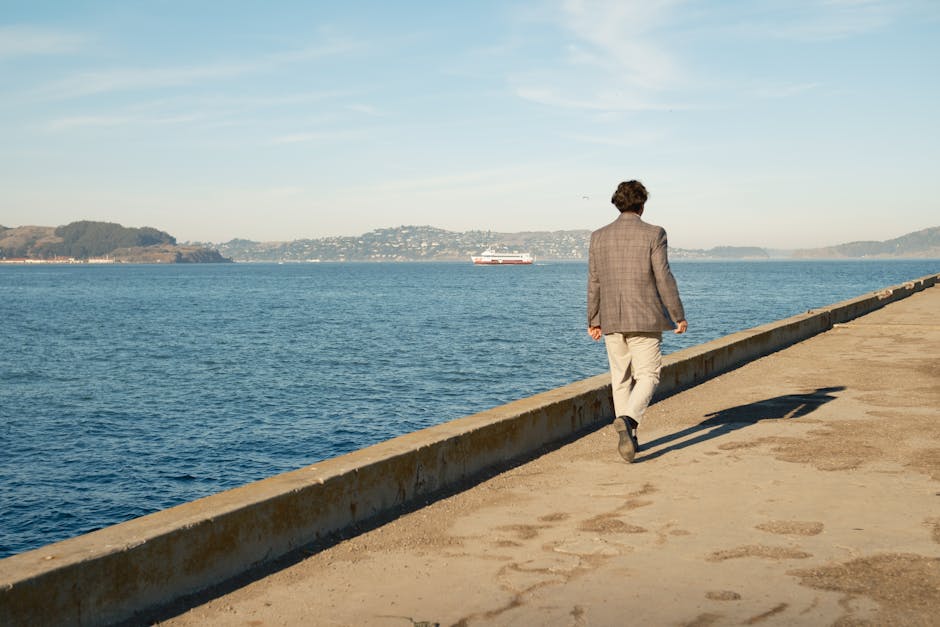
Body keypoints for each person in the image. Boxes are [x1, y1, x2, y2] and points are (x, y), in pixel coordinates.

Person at [587, 180, 687, 463]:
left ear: (617, 204)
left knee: (620, 379)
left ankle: (629, 439)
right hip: (646, 317)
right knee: (649, 375)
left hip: (611, 319)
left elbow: (594, 281)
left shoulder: (598, 236)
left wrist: (593, 319)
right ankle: (629, 422)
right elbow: (663, 277)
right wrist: (677, 314)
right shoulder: (654, 233)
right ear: (642, 205)